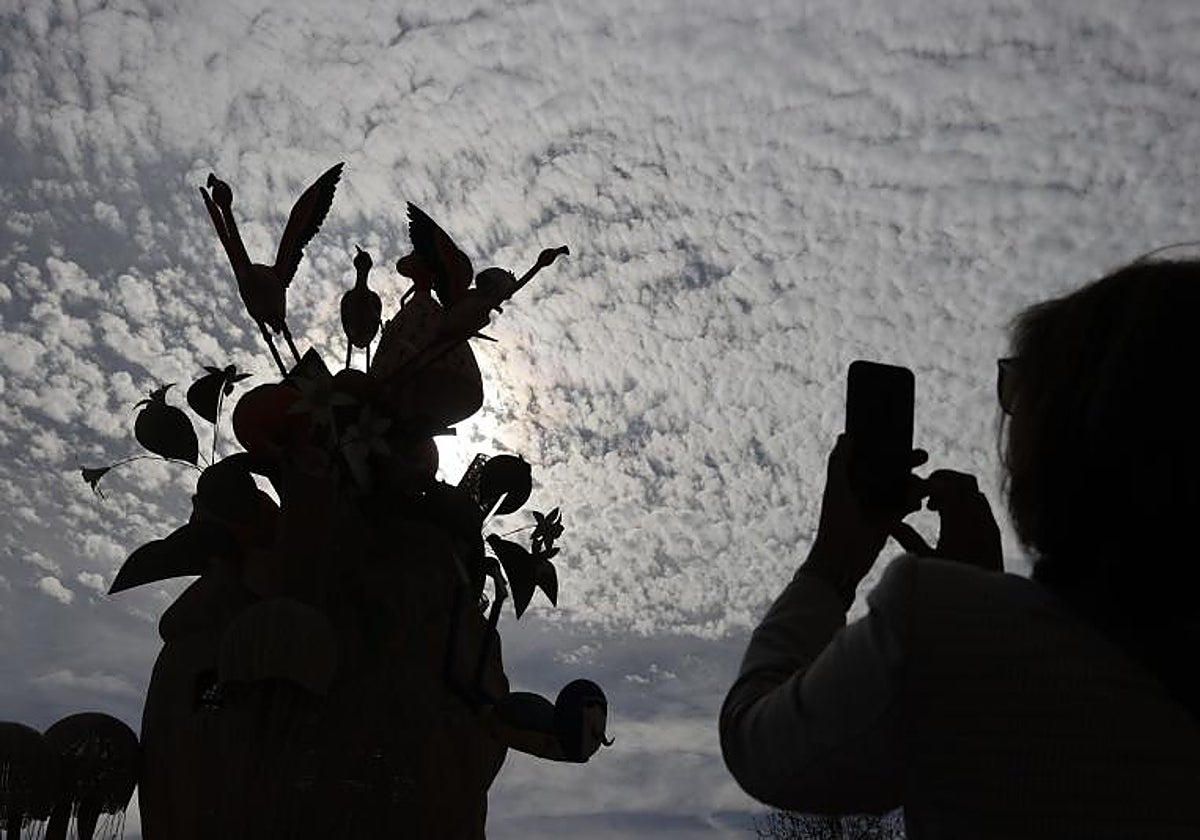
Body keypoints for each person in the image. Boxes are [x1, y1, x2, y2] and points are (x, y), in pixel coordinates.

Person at [720, 257, 1200, 838]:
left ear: (1074, 428)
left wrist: (833, 564)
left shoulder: (940, 622)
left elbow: (756, 744)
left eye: (1020, 390)